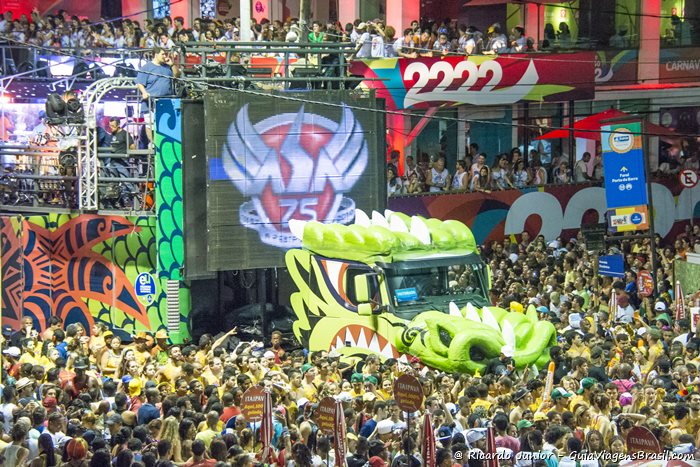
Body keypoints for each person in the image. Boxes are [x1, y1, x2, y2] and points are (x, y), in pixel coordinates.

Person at [135, 46, 179, 143]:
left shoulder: (167, 67)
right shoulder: (146, 67)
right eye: (163, 54)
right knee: (149, 125)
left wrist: (172, 65)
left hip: (165, 101)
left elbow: (177, 75)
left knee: (165, 125)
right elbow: (140, 83)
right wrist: (144, 92)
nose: (165, 56)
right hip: (150, 102)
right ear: (156, 54)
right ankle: (154, 143)